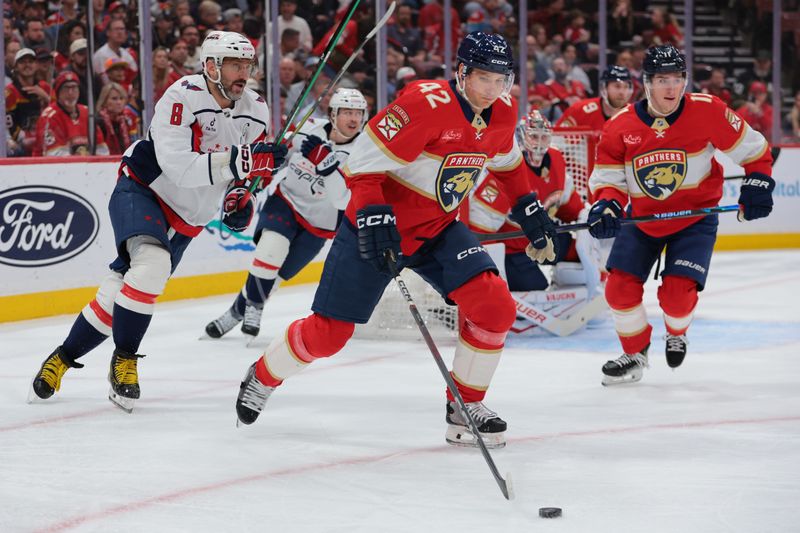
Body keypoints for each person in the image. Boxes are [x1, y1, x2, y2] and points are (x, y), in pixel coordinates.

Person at [233, 32, 559, 449]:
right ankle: (262, 375)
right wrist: (372, 212)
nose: (493, 90)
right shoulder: (424, 103)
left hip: (437, 229)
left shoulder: (503, 112)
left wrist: (530, 209)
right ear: (461, 73)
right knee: (329, 334)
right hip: (373, 227)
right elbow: (363, 165)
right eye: (483, 79)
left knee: (495, 305)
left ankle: (464, 409)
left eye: (501, 80)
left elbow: (509, 163)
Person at [28, 31, 287, 413]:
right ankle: (125, 361)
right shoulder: (181, 96)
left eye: (247, 65)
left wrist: (242, 194)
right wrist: (239, 163)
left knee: (120, 292)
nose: (243, 73)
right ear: (211, 66)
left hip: (189, 218)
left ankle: (62, 358)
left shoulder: (256, 109)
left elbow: (243, 177)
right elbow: (178, 166)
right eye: (235, 64)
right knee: (151, 264)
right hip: (144, 189)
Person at [587, 44, 774, 386]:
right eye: (662, 80)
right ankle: (634, 353)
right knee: (617, 290)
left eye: (677, 79)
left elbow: (755, 150)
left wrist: (759, 181)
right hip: (643, 220)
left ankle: (676, 331)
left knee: (676, 296)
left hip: (694, 220)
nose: (671, 88)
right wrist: (608, 204)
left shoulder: (708, 111)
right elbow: (608, 178)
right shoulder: (620, 125)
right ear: (646, 83)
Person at [205, 88, 369, 340]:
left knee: (276, 277)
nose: (354, 119)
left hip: (321, 224)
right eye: (347, 112)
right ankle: (254, 308)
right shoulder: (309, 128)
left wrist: (326, 165)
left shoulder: (362, 152)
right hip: (287, 203)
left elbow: (343, 199)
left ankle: (236, 313)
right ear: (333, 114)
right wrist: (272, 162)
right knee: (270, 251)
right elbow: (277, 157)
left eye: (358, 113)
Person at [469, 110, 583, 291]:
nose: (539, 143)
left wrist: (587, 216)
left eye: (544, 137)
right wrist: (488, 273)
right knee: (536, 287)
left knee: (583, 252)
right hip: (512, 249)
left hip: (543, 236)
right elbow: (481, 229)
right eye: (533, 136)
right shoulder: (507, 166)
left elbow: (568, 202)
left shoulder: (555, 158)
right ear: (521, 137)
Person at [33, 71, 108, 156]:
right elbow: (54, 155)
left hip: (85, 166)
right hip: (53, 167)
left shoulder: (87, 113)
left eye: (74, 88)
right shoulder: (49, 117)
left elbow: (102, 149)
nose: (70, 93)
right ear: (58, 92)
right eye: (66, 88)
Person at [557, 65, 634, 130]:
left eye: (626, 87)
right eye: (617, 86)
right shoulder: (579, 110)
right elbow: (557, 139)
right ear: (604, 88)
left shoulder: (636, 116)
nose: (622, 92)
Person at [96, 81, 139, 155]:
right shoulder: (99, 122)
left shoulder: (125, 121)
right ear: (104, 101)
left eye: (121, 98)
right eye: (114, 99)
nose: (119, 102)